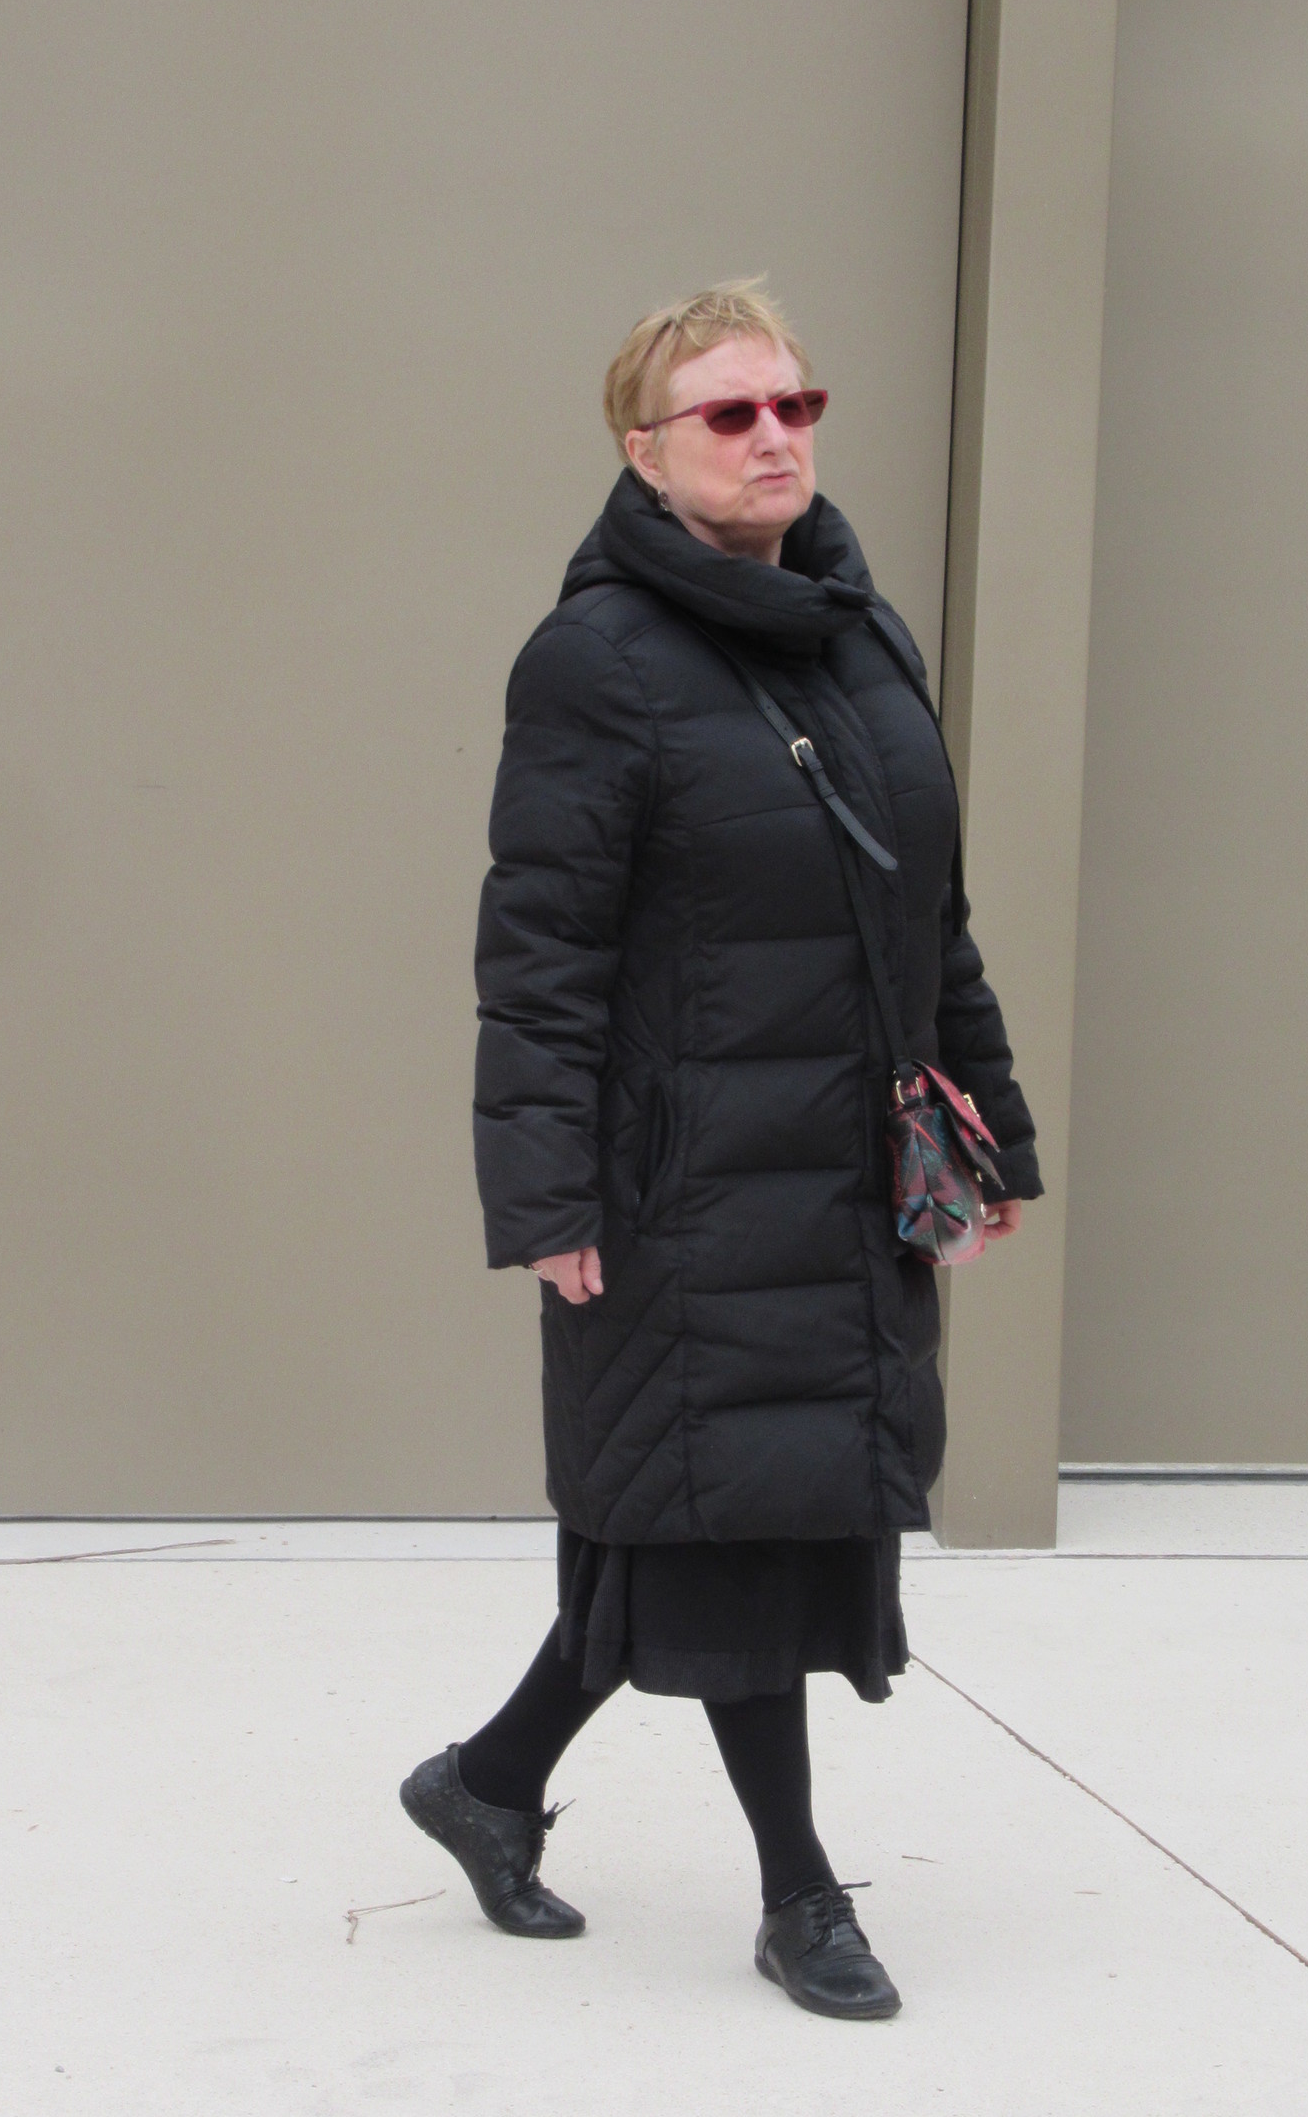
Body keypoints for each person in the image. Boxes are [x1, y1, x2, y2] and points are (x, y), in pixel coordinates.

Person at [400, 281, 1040, 2020]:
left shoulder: (858, 632)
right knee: (734, 1520)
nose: (775, 438)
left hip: (842, 1174)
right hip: (678, 1182)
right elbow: (540, 953)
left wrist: (986, 1138)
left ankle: (487, 1782)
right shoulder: (597, 660)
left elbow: (930, 917)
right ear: (645, 449)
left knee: (707, 1514)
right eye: (731, 414)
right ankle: (798, 1896)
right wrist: (545, 1194)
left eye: (795, 406)